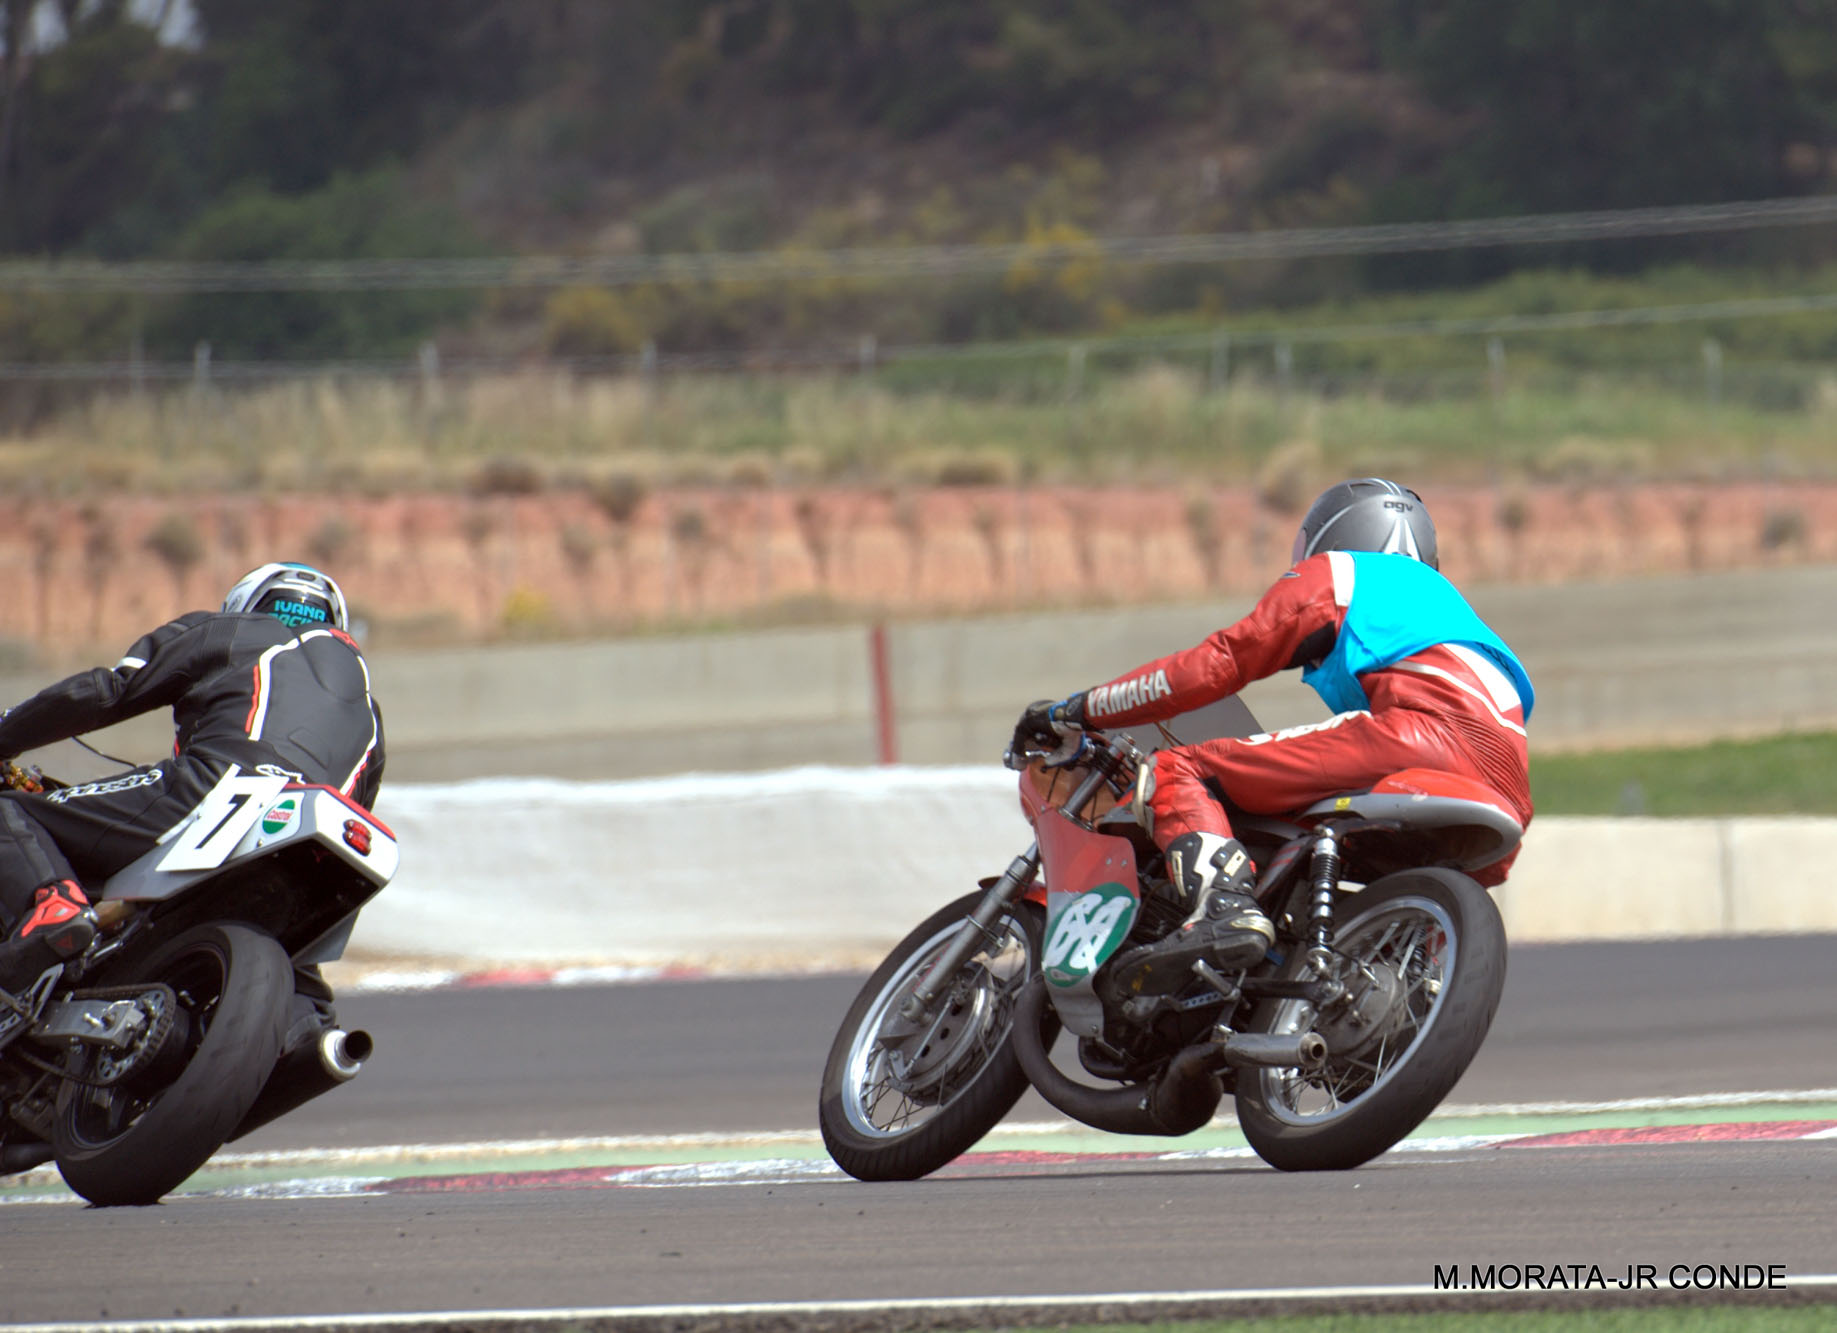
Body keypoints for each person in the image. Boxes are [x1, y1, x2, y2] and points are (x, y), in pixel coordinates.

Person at [1011, 478, 1533, 993]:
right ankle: (1400, 979)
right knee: (1299, 840)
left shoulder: (1343, 573)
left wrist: (1079, 709)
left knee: (1177, 769)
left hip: (1418, 733)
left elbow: (1215, 665)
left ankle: (1225, 908)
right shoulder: (1455, 616)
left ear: (1333, 535)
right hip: (1506, 788)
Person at [0, 562, 384, 996]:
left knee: (9, 811)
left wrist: (6, 732)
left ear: (244, 604)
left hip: (213, 788)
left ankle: (52, 908)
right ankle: (313, 1024)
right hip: (311, 842)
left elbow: (109, 691)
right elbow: (360, 803)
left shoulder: (231, 630)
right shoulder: (368, 711)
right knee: (303, 985)